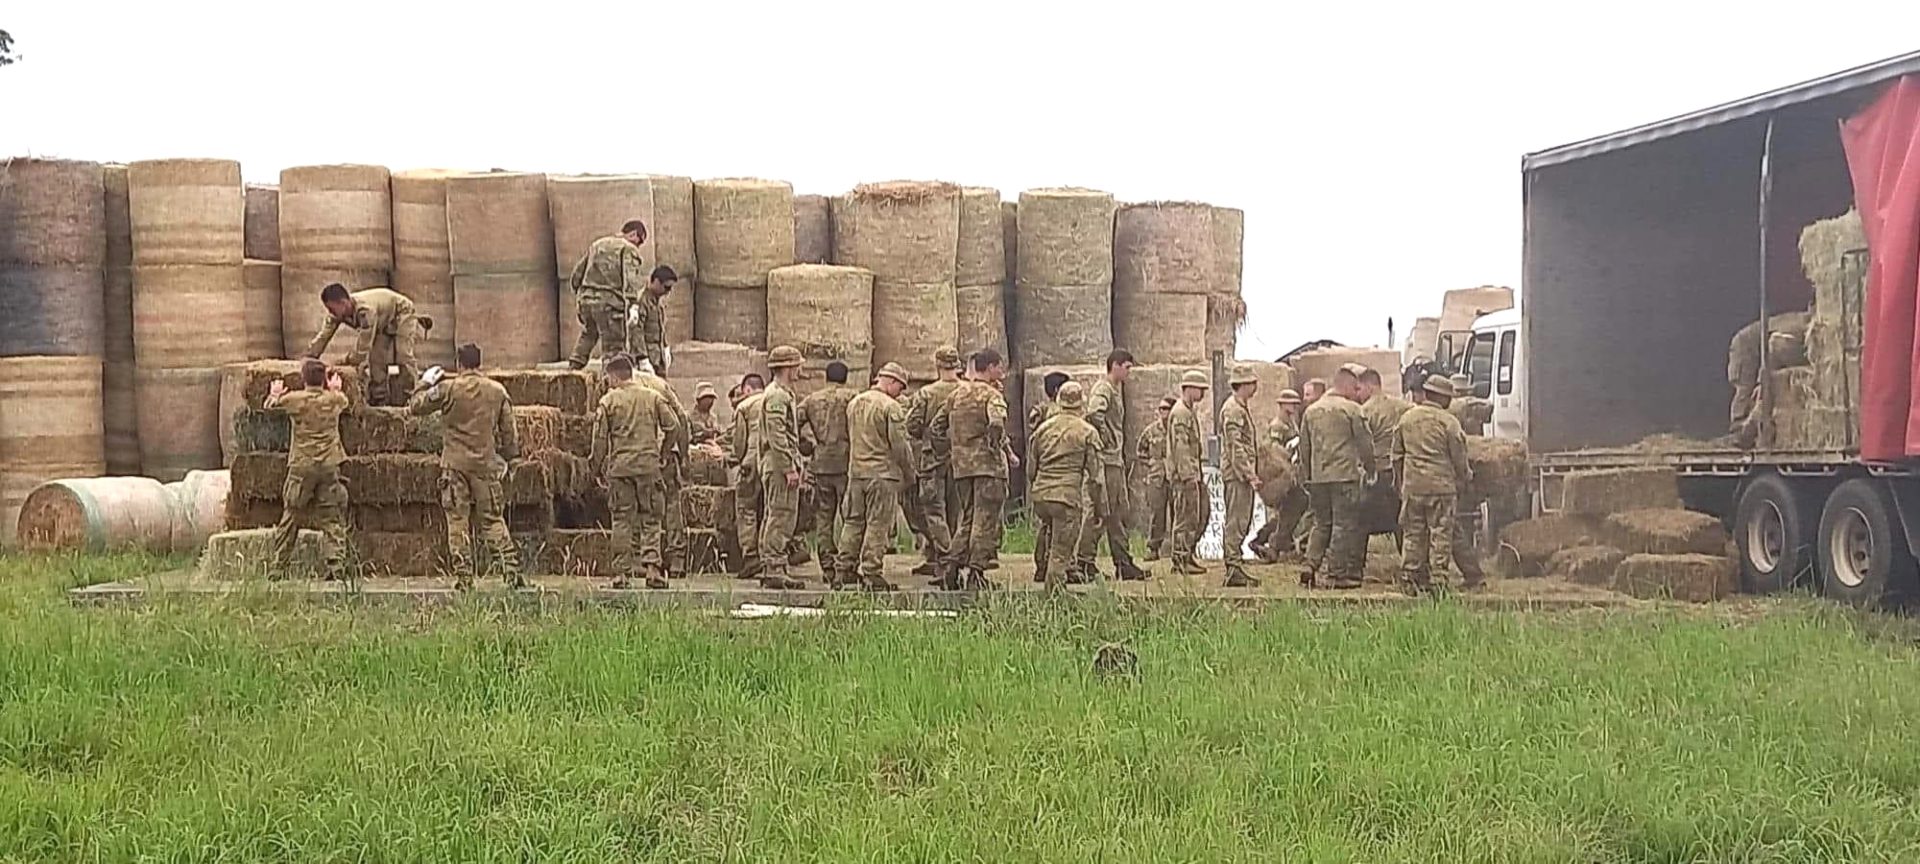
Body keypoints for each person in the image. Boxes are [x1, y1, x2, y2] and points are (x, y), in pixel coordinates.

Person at [409, 343, 522, 590]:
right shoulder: (497, 391)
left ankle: (464, 577)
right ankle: (511, 572)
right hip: (485, 466)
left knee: (457, 522)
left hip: (454, 466)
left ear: (459, 363)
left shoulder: (448, 389)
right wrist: (512, 460)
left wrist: (424, 382)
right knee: (493, 520)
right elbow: (509, 433)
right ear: (479, 363)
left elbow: (416, 407)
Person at [590, 353, 681, 589]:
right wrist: (663, 453)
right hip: (649, 467)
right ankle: (652, 569)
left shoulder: (608, 402)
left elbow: (599, 440)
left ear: (613, 376)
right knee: (651, 519)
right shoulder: (653, 397)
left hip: (620, 469)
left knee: (622, 520)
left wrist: (597, 467)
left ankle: (621, 574)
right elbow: (674, 427)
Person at [933, 348, 1014, 589]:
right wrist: (994, 447)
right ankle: (977, 574)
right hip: (987, 468)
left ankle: (951, 569)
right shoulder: (991, 395)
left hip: (961, 467)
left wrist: (952, 448)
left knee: (966, 519)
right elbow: (996, 423)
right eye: (999, 366)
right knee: (985, 520)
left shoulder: (957, 395)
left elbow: (937, 426)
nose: (1001, 371)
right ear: (989, 368)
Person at [265, 359, 350, 580]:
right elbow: (345, 401)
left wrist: (274, 394)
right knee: (331, 516)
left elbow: (269, 408)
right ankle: (336, 564)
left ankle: (278, 567)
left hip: (302, 466)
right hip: (330, 465)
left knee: (292, 515)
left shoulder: (294, 400)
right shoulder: (335, 400)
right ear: (324, 379)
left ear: (304, 378)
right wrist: (335, 388)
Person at [1394, 374, 1473, 594]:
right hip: (1441, 488)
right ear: (1442, 398)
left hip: (1413, 487)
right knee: (1440, 534)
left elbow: (1396, 456)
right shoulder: (1449, 422)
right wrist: (1466, 477)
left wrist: (1401, 483)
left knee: (1413, 533)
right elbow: (1459, 457)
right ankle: (1438, 581)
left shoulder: (1406, 419)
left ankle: (1410, 578)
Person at [839, 362, 914, 591]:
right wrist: (909, 473)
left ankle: (844, 569)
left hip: (856, 473)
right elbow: (900, 445)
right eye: (900, 388)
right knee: (878, 524)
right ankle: (871, 572)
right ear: (891, 382)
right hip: (881, 474)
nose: (900, 393)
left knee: (852, 522)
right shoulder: (890, 408)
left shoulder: (854, 403)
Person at [1297, 365, 1373, 589]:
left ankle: (1309, 566)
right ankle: (1336, 575)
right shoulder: (1351, 410)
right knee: (1343, 524)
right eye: (1356, 386)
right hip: (1344, 476)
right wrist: (1370, 468)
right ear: (1347, 385)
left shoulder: (1311, 411)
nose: (1357, 391)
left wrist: (1307, 476)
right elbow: (1364, 443)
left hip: (1318, 477)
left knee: (1321, 523)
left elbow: (1304, 447)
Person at [1078, 350, 1146, 582]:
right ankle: (1084, 562)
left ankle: (1123, 562)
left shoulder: (1115, 390)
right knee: (1099, 511)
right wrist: (1106, 439)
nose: (1128, 372)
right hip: (1105, 461)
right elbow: (1094, 414)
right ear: (1114, 366)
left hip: (1114, 461)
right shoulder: (1104, 388)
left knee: (1116, 513)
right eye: (1126, 367)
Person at [1029, 381, 1104, 592]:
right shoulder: (1087, 432)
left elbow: (1030, 469)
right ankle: (1054, 596)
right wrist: (1100, 507)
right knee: (1061, 550)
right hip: (1067, 497)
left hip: (1041, 495)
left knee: (1048, 527)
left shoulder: (1043, 429)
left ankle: (1040, 569)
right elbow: (1096, 478)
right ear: (1082, 403)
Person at [304, 283, 423, 406]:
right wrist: (310, 357)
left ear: (344, 303)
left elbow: (363, 348)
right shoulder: (336, 314)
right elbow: (324, 336)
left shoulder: (366, 311)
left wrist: (344, 362)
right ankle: (379, 400)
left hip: (401, 313)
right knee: (376, 361)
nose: (331, 312)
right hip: (381, 322)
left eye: (332, 309)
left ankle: (413, 395)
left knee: (402, 354)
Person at [905, 346, 966, 581]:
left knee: (933, 510)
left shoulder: (927, 394)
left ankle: (946, 560)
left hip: (932, 460)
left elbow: (913, 425)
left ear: (937, 365)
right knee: (954, 511)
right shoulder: (967, 391)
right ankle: (939, 559)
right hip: (960, 459)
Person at [632, 357, 691, 577]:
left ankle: (645, 560)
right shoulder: (660, 385)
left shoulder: (620, 386)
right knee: (672, 505)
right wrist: (683, 456)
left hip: (637, 456)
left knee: (641, 508)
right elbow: (682, 419)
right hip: (665, 455)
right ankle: (677, 559)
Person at [799, 360, 857, 580]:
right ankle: (847, 563)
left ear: (826, 376)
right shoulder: (852, 398)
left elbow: (792, 422)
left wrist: (805, 445)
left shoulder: (812, 400)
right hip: (846, 462)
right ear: (846, 377)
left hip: (821, 462)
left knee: (824, 515)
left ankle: (827, 565)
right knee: (850, 516)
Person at [756, 345, 808, 590]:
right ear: (788, 367)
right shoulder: (777, 396)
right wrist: (789, 467)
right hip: (778, 466)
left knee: (776, 514)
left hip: (777, 463)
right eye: (797, 365)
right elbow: (777, 435)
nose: (800, 370)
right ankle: (774, 566)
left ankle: (772, 564)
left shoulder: (781, 393)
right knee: (781, 515)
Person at [565, 220, 648, 370]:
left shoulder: (597, 244)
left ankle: (572, 371)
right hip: (609, 305)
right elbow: (631, 279)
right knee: (613, 349)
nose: (639, 246)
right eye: (640, 241)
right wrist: (633, 304)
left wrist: (581, 295)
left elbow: (577, 274)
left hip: (586, 302)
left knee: (588, 335)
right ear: (633, 234)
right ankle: (612, 384)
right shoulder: (628, 249)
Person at [1250, 388, 1309, 563]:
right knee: (1291, 508)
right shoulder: (1278, 426)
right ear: (1282, 404)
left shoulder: (1291, 423)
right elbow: (1272, 452)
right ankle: (1269, 541)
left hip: (1291, 473)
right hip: (1282, 475)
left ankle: (1272, 541)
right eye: (1291, 403)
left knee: (1288, 511)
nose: (1294, 406)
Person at [1218, 366, 1262, 587]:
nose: (1255, 387)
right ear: (1243, 385)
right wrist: (1249, 474)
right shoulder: (1233, 410)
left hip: (1239, 473)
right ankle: (1232, 567)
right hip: (1237, 474)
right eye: (1252, 383)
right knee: (1237, 519)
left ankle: (1235, 564)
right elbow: (1236, 446)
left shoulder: (1239, 408)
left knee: (1242, 519)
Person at [1357, 367, 1412, 539]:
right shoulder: (1404, 407)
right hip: (1402, 471)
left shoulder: (1364, 411)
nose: (1357, 394)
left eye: (1359, 389)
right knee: (1401, 520)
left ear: (1370, 387)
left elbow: (1361, 444)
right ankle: (1407, 560)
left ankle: (1357, 564)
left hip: (1377, 472)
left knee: (1363, 521)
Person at [1166, 370, 1209, 576]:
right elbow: (1180, 447)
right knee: (1185, 516)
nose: (1202, 393)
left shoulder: (1186, 411)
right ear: (1189, 388)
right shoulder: (1181, 413)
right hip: (1184, 476)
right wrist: (1188, 476)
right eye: (1200, 389)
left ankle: (1186, 555)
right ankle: (1181, 557)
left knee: (1194, 516)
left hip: (1191, 472)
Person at [727, 373, 768, 579]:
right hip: (772, 463)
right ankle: (772, 556)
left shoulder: (744, 407)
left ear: (747, 389)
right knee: (770, 510)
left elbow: (739, 442)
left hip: (751, 463)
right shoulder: (778, 398)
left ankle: (751, 557)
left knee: (746, 508)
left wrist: (737, 460)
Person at [1134, 395, 1175, 562]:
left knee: (1178, 513)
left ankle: (1179, 549)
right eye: (1161, 409)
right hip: (1157, 477)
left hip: (1174, 475)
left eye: (1166, 408)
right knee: (1157, 513)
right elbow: (1140, 451)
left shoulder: (1176, 429)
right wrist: (1151, 463)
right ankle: (1153, 547)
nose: (1163, 412)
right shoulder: (1151, 430)